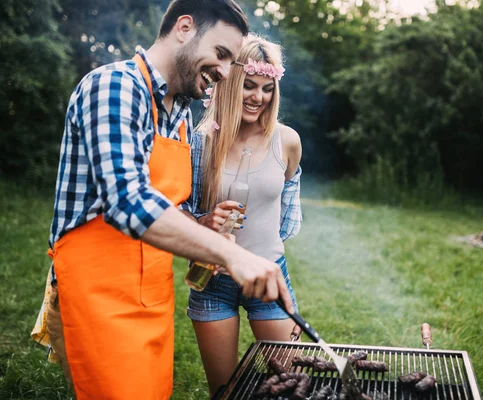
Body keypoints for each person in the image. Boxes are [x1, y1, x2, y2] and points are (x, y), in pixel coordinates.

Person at [30, 1, 294, 399]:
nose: (224, 72)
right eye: (221, 54)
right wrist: (234, 256)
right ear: (184, 28)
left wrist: (201, 225)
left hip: (152, 296)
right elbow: (127, 201)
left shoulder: (181, 113)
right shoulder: (115, 86)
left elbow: (169, 206)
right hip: (97, 297)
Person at [185, 34, 303, 396]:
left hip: (267, 276)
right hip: (213, 282)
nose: (258, 97)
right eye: (249, 85)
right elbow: (180, 214)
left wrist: (267, 247)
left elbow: (287, 210)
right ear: (230, 82)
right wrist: (205, 223)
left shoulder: (287, 141)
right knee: (225, 392)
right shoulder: (201, 141)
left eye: (267, 88)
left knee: (289, 386)